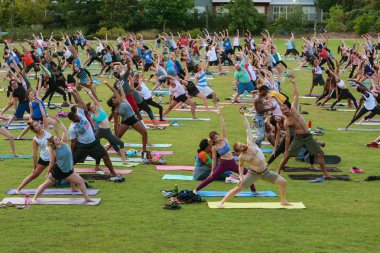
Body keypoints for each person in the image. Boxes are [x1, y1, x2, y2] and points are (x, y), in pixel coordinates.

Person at [218, 112, 290, 208]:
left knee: (283, 182)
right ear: (239, 151)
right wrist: (241, 177)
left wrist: (244, 117)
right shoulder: (242, 156)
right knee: (238, 188)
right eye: (241, 146)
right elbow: (240, 165)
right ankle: (222, 202)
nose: (243, 145)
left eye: (242, 144)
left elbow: (247, 128)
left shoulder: (250, 143)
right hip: (253, 174)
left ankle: (283, 201)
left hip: (265, 172)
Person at [275, 75, 333, 179]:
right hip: (298, 138)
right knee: (287, 156)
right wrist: (286, 149)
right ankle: (277, 171)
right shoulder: (287, 122)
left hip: (309, 136)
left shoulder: (294, 109)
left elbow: (295, 96)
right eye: (283, 111)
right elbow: (288, 137)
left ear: (288, 108)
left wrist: (294, 83)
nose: (285, 111)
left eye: (285, 109)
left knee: (320, 154)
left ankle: (325, 174)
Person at [67, 87, 124, 182]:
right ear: (72, 119)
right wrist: (72, 152)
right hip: (83, 146)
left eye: (76, 115)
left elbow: (79, 103)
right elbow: (73, 142)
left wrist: (74, 92)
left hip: (93, 143)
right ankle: (61, 175)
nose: (77, 117)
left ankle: (113, 172)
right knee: (72, 161)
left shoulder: (80, 114)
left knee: (105, 155)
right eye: (75, 118)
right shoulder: (72, 128)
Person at [31, 118, 92, 203]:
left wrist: (59, 122)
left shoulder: (65, 143)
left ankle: (86, 198)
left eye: (58, 138)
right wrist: (48, 173)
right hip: (58, 172)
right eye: (56, 139)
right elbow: (52, 163)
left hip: (68, 171)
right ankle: (34, 198)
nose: (58, 139)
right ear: (53, 143)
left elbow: (64, 131)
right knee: (46, 185)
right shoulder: (53, 150)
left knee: (81, 181)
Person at [193, 113, 257, 194]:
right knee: (211, 178)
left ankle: (253, 191)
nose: (217, 138)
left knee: (248, 173)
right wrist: (212, 171)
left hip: (232, 163)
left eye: (217, 136)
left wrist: (221, 116)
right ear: (213, 140)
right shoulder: (214, 147)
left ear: (219, 135)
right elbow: (214, 160)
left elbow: (223, 127)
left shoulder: (225, 139)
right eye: (214, 138)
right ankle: (196, 190)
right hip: (223, 164)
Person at [15, 102, 62, 194]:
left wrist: (40, 104)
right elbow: (35, 154)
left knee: (64, 171)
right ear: (33, 130)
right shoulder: (35, 139)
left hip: (55, 157)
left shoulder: (46, 129)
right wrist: (34, 166)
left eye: (38, 124)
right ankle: (19, 189)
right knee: (34, 174)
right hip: (44, 158)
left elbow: (43, 115)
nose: (39, 126)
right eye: (36, 125)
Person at [84, 86, 128, 168]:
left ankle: (124, 160)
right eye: (92, 108)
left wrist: (87, 92)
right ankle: (93, 162)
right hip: (100, 131)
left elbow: (94, 98)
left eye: (93, 106)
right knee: (95, 146)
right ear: (90, 110)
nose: (93, 107)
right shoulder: (92, 116)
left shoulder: (100, 108)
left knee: (121, 143)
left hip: (107, 131)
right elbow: (93, 127)